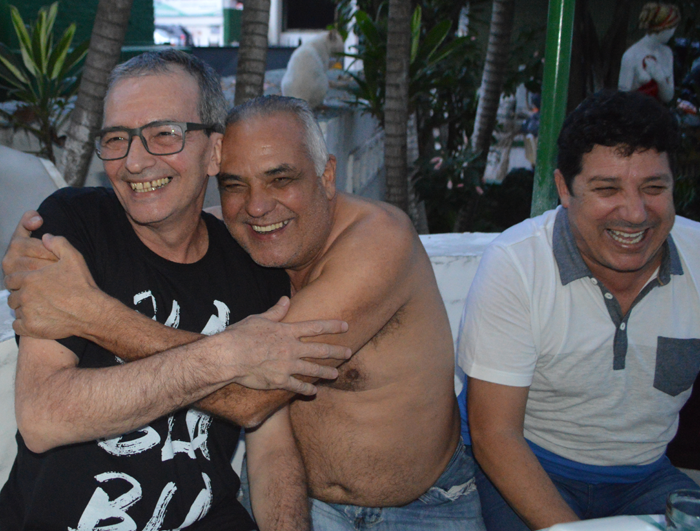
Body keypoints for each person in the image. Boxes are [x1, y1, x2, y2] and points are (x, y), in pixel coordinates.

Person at [4, 95, 486, 531]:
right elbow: (167, 220)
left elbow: (252, 398)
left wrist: (93, 315)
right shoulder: (244, 243)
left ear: (326, 176)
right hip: (295, 499)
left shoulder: (379, 243)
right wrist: (35, 256)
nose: (257, 206)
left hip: (419, 509)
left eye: (281, 179)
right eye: (235, 185)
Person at [0, 50, 353, 530]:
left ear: (215, 152)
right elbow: (43, 417)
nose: (135, 161)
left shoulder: (254, 268)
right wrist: (227, 355)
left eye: (164, 134)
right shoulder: (74, 225)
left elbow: (271, 444)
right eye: (116, 138)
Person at [457, 89, 700, 531]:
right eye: (607, 189)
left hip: (645, 476)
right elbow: (495, 435)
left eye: (654, 188)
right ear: (564, 189)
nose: (635, 213)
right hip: (527, 464)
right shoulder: (518, 263)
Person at [618, 2, 680, 103]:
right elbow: (622, 98)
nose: (673, 34)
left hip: (658, 110)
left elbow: (668, 97)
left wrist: (661, 80)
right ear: (664, 28)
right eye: (673, 29)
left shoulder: (667, 53)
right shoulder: (631, 55)